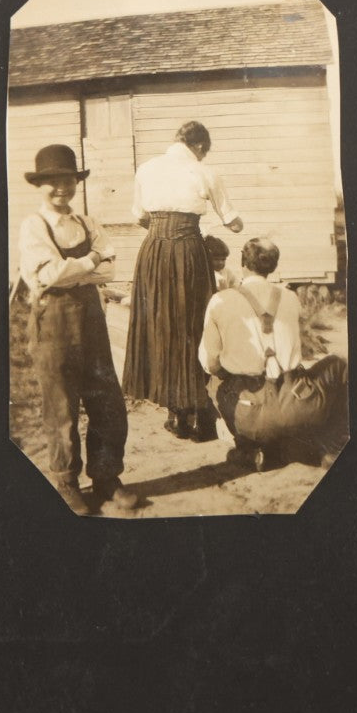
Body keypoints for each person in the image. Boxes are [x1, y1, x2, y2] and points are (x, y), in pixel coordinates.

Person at [18, 144, 139, 516]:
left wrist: (80, 268)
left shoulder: (89, 223)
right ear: (40, 185)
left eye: (67, 180)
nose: (61, 189)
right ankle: (67, 483)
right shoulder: (33, 227)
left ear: (76, 182)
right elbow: (50, 275)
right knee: (61, 405)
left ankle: (106, 479)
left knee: (106, 399)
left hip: (91, 318)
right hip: (53, 321)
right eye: (52, 182)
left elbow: (110, 271)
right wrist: (89, 260)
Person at [124, 120, 244, 443]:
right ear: (201, 147)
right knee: (193, 326)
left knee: (162, 326)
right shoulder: (206, 172)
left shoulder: (147, 168)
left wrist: (162, 227)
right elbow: (232, 223)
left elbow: (139, 216)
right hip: (189, 253)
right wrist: (235, 223)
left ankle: (175, 414)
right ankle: (200, 414)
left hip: (154, 252)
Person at [199, 237, 348, 469]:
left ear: (242, 263)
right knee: (339, 364)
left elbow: (210, 363)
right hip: (298, 402)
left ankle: (248, 448)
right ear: (273, 267)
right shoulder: (290, 298)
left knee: (213, 376)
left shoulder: (220, 300)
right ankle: (331, 447)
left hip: (247, 412)